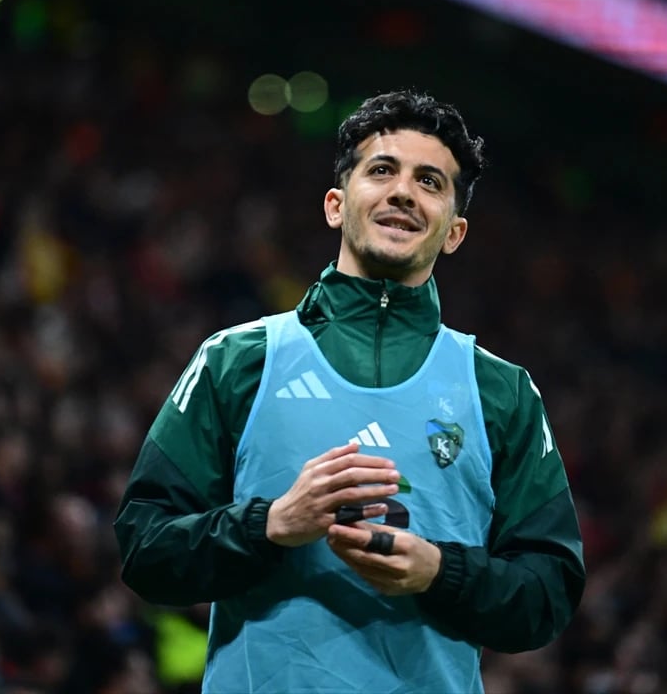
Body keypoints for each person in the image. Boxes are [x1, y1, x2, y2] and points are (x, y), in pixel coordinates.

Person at [115, 90, 585, 693]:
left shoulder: (503, 393)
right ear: (336, 205)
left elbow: (549, 593)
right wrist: (271, 523)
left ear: (454, 232)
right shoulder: (238, 360)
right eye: (382, 170)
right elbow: (145, 548)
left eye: (430, 182)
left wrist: (440, 572)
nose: (403, 192)